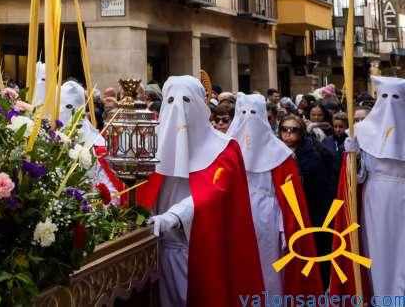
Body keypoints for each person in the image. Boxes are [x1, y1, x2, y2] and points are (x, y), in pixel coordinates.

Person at [137, 75, 264, 305]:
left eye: (186, 100)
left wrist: (175, 216)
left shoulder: (224, 148)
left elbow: (214, 192)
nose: (178, 109)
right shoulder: (150, 146)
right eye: (171, 100)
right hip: (155, 247)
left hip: (200, 248)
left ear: (201, 104)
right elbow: (140, 189)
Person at [226, 93, 322, 297]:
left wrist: (286, 227)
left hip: (267, 219)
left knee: (268, 268)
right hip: (237, 215)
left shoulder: (280, 154)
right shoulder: (226, 150)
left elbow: (290, 198)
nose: (249, 119)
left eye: (253, 113)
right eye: (244, 113)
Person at [330, 76, 405, 299]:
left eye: (396, 97)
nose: (390, 103)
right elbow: (358, 177)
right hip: (375, 200)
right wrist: (352, 156)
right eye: (385, 97)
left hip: (402, 198)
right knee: (377, 251)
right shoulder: (362, 131)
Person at [278, 114, 336, 285]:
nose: (288, 133)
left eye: (293, 130)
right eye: (284, 129)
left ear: (302, 132)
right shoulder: (275, 151)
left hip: (311, 210)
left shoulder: (314, 154)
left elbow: (322, 188)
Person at [58, 80, 125, 205]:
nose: (62, 112)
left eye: (68, 107)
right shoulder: (51, 139)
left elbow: (112, 195)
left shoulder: (98, 146)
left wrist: (85, 204)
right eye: (59, 107)